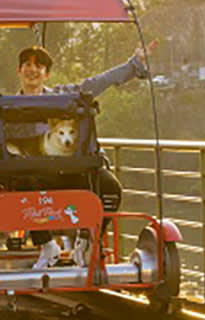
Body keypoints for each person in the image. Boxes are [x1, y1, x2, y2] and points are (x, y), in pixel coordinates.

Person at [8, 38, 157, 268]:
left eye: (39, 66)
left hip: (67, 169)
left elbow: (98, 83)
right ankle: (47, 246)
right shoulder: (7, 106)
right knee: (21, 185)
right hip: (34, 175)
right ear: (19, 71)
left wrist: (135, 62)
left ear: (46, 74)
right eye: (27, 65)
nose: (33, 70)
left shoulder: (61, 95)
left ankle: (86, 239)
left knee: (109, 188)